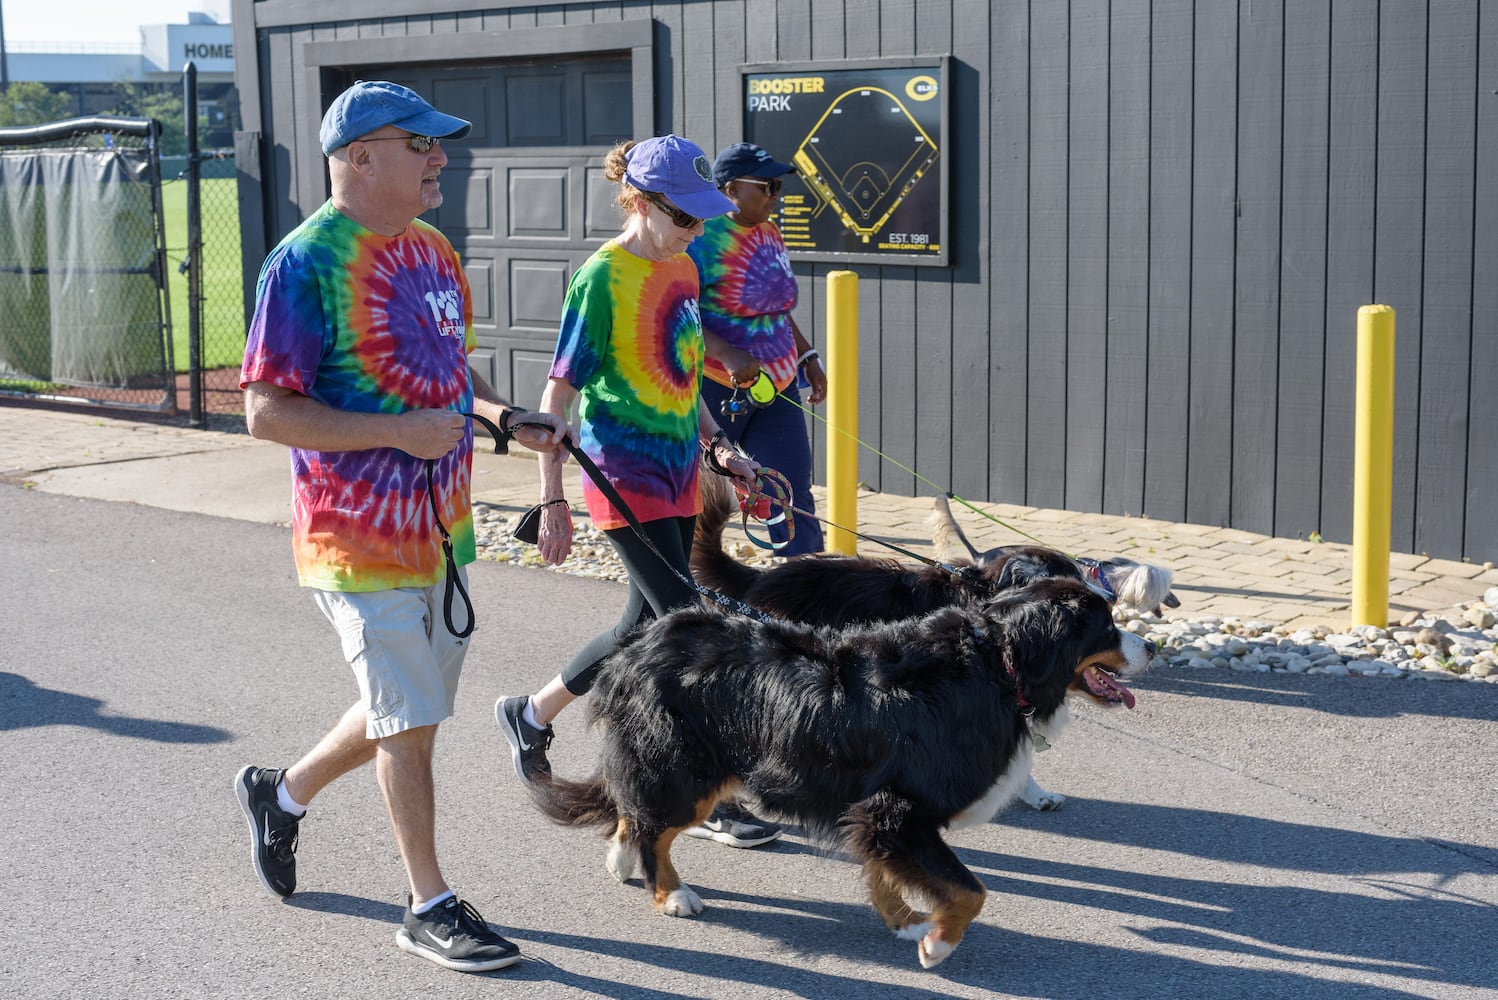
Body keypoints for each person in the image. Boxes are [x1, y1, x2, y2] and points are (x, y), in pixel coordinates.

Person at [233, 80, 568, 974]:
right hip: (354, 540)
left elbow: (457, 377)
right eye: (420, 146)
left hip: (441, 533)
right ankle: (428, 904)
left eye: (436, 145)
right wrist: (392, 430)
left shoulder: (431, 253)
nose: (439, 159)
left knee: (404, 710)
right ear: (360, 157)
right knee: (410, 721)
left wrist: (505, 419)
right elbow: (265, 412)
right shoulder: (303, 264)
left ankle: (283, 792)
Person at [494, 135, 783, 849]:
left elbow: (687, 381)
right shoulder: (601, 278)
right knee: (692, 632)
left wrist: (721, 446)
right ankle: (709, 792)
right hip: (619, 478)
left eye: (701, 217)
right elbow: (555, 395)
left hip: (678, 470)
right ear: (642, 202)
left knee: (639, 625)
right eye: (684, 217)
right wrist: (552, 498)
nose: (696, 229)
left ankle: (530, 715)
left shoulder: (681, 267)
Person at [688, 142, 828, 555]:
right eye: (767, 186)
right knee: (702, 499)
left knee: (790, 494)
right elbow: (679, 315)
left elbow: (777, 309)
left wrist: (807, 356)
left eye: (778, 187)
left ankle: (802, 596)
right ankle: (683, 596)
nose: (775, 196)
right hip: (716, 390)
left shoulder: (769, 233)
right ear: (731, 189)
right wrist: (728, 353)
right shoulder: (699, 238)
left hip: (778, 383)